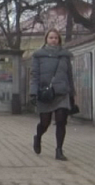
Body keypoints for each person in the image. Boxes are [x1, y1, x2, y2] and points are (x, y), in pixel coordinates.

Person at [29, 29, 76, 161]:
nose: (53, 40)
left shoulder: (64, 56)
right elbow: (34, 75)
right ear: (46, 40)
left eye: (56, 38)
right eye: (51, 37)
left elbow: (69, 76)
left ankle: (59, 150)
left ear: (59, 40)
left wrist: (72, 93)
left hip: (62, 93)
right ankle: (38, 137)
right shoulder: (38, 56)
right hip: (45, 94)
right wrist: (33, 93)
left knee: (61, 121)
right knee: (45, 122)